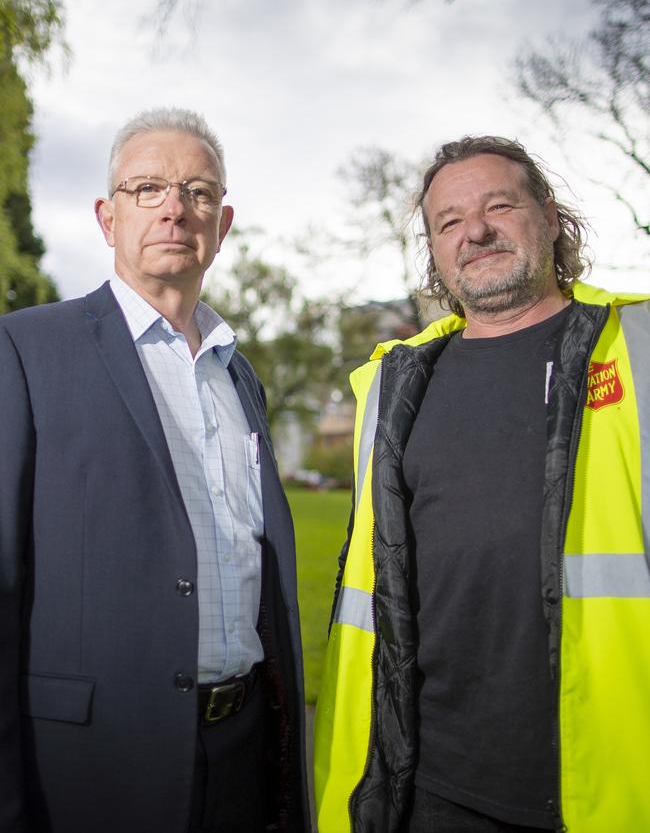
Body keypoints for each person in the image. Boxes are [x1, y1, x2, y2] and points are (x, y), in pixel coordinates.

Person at [313, 135, 650, 833]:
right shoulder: (391, 385)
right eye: (449, 221)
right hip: (430, 787)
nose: (477, 230)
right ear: (435, 250)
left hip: (609, 787)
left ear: (551, 217)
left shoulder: (638, 349)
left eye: (500, 205)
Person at [0, 107, 310, 833]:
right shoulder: (24, 351)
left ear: (222, 223)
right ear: (108, 218)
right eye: (148, 188)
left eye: (199, 192)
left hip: (242, 752)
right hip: (89, 768)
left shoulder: (242, 379)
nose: (176, 206)